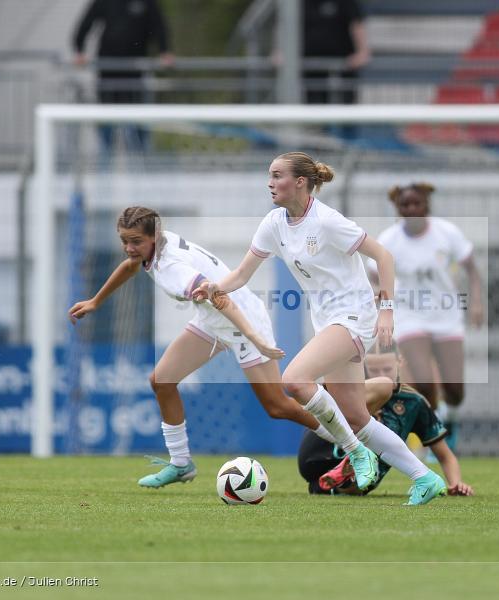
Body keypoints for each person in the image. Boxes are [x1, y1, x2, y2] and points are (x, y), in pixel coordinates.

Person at [197, 151, 447, 505]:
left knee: (294, 380)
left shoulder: (328, 221)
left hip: (355, 316)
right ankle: (425, 478)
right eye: (269, 175)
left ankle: (355, 453)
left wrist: (387, 311)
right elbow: (240, 275)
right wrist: (215, 287)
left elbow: (384, 256)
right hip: (330, 321)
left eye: (277, 175)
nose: (270, 182)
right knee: (357, 417)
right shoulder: (273, 223)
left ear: (300, 182)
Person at [68, 206, 379, 490]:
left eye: (135, 241)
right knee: (161, 380)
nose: (129, 248)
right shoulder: (154, 248)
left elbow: (223, 300)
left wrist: (255, 339)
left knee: (278, 406)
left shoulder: (174, 269)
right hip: (211, 322)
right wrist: (96, 300)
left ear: (153, 236)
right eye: (124, 240)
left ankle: (355, 446)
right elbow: (131, 265)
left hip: (243, 321)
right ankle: (180, 463)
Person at [370, 182, 483, 451]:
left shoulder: (447, 233)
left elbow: (472, 270)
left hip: (446, 316)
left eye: (416, 204)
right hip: (409, 315)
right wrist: (380, 298)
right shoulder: (389, 240)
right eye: (405, 205)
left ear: (426, 206)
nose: (411, 209)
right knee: (422, 381)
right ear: (398, 208)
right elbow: (373, 275)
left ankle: (449, 421)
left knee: (455, 390)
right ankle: (436, 436)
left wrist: (477, 302)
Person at [298, 342, 473, 497]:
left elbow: (445, 456)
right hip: (318, 454)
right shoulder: (351, 390)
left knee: (358, 483)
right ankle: (353, 456)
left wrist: (456, 483)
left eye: (386, 369)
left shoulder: (414, 403)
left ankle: (346, 474)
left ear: (400, 362)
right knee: (378, 388)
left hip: (339, 486)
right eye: (374, 369)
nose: (381, 374)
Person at [72, 0, 174, 158]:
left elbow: (158, 25)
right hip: (107, 72)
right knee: (107, 125)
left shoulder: (147, 2)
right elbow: (86, 22)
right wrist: (79, 50)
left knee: (137, 125)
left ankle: (142, 169)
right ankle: (104, 174)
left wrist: (164, 50)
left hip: (135, 74)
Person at [303, 0, 370, 105]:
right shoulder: (302, 3)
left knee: (345, 107)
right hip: (312, 67)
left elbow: (356, 24)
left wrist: (362, 52)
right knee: (314, 106)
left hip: (345, 66)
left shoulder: (347, 2)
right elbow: (288, 24)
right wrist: (281, 52)